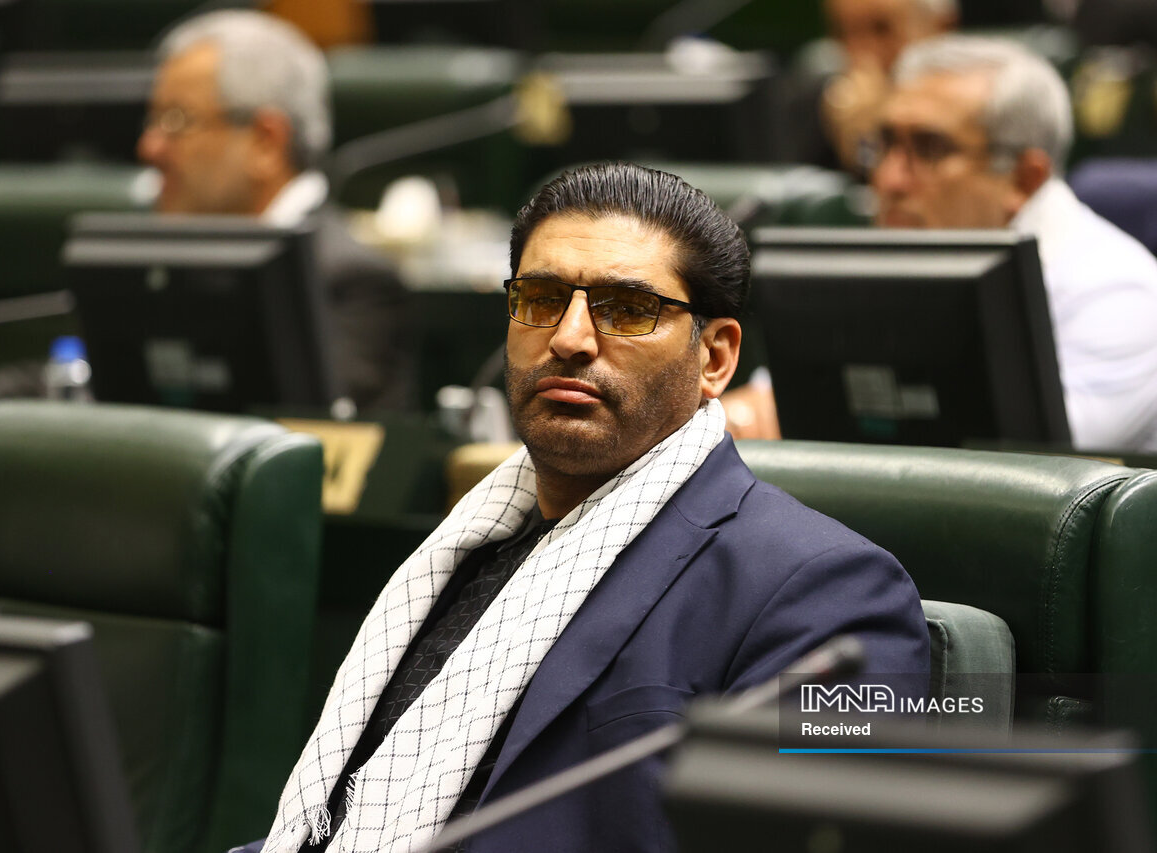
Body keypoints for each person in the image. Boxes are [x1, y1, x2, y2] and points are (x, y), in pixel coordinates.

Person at [239, 163, 929, 853]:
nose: (569, 338)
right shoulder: (465, 552)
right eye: (541, 299)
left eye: (626, 309)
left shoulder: (829, 594)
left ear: (715, 358)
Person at [871, 35, 1157, 451]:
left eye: (929, 148)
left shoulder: (1121, 297)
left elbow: (1033, 470)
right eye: (885, 143)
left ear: (1024, 179)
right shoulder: (895, 253)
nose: (889, 179)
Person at [138, 10, 412, 412]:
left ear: (265, 142)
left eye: (176, 120)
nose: (149, 147)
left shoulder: (352, 284)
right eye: (152, 120)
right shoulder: (162, 260)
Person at [783, 0, 956, 172]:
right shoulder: (819, 106)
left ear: (941, 27)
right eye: (843, 32)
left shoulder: (965, 112)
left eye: (882, 29)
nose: (862, 53)